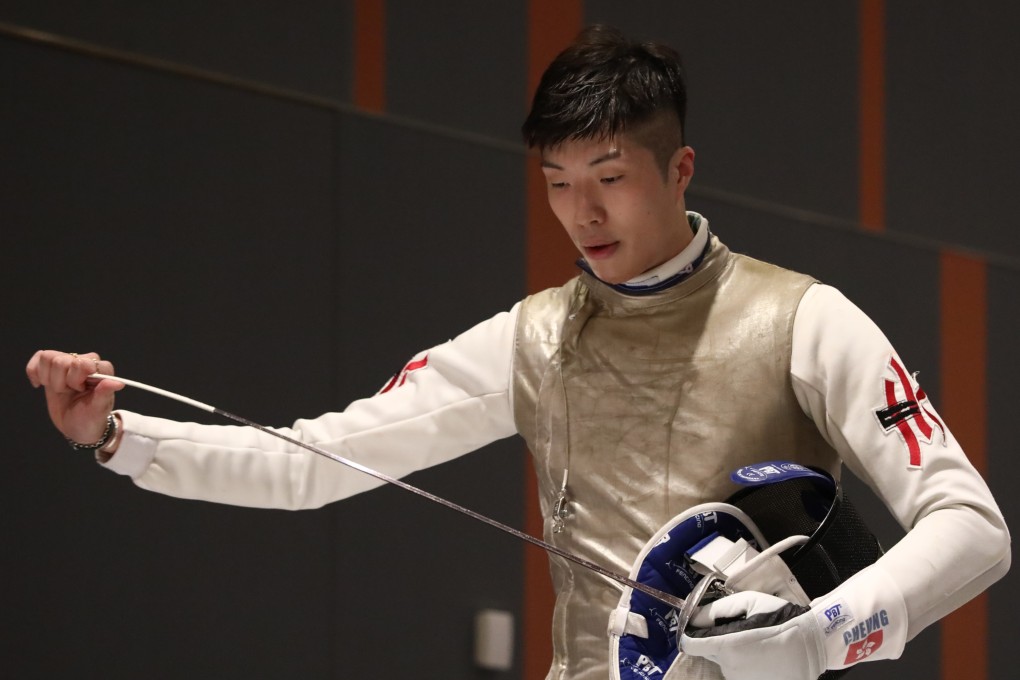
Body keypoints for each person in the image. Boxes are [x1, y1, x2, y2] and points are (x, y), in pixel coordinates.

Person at [26, 25, 1009, 680]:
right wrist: (118, 436)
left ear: (681, 168)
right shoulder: (535, 337)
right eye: (558, 181)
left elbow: (972, 525)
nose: (583, 212)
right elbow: (312, 462)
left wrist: (824, 635)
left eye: (612, 177)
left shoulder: (805, 318)